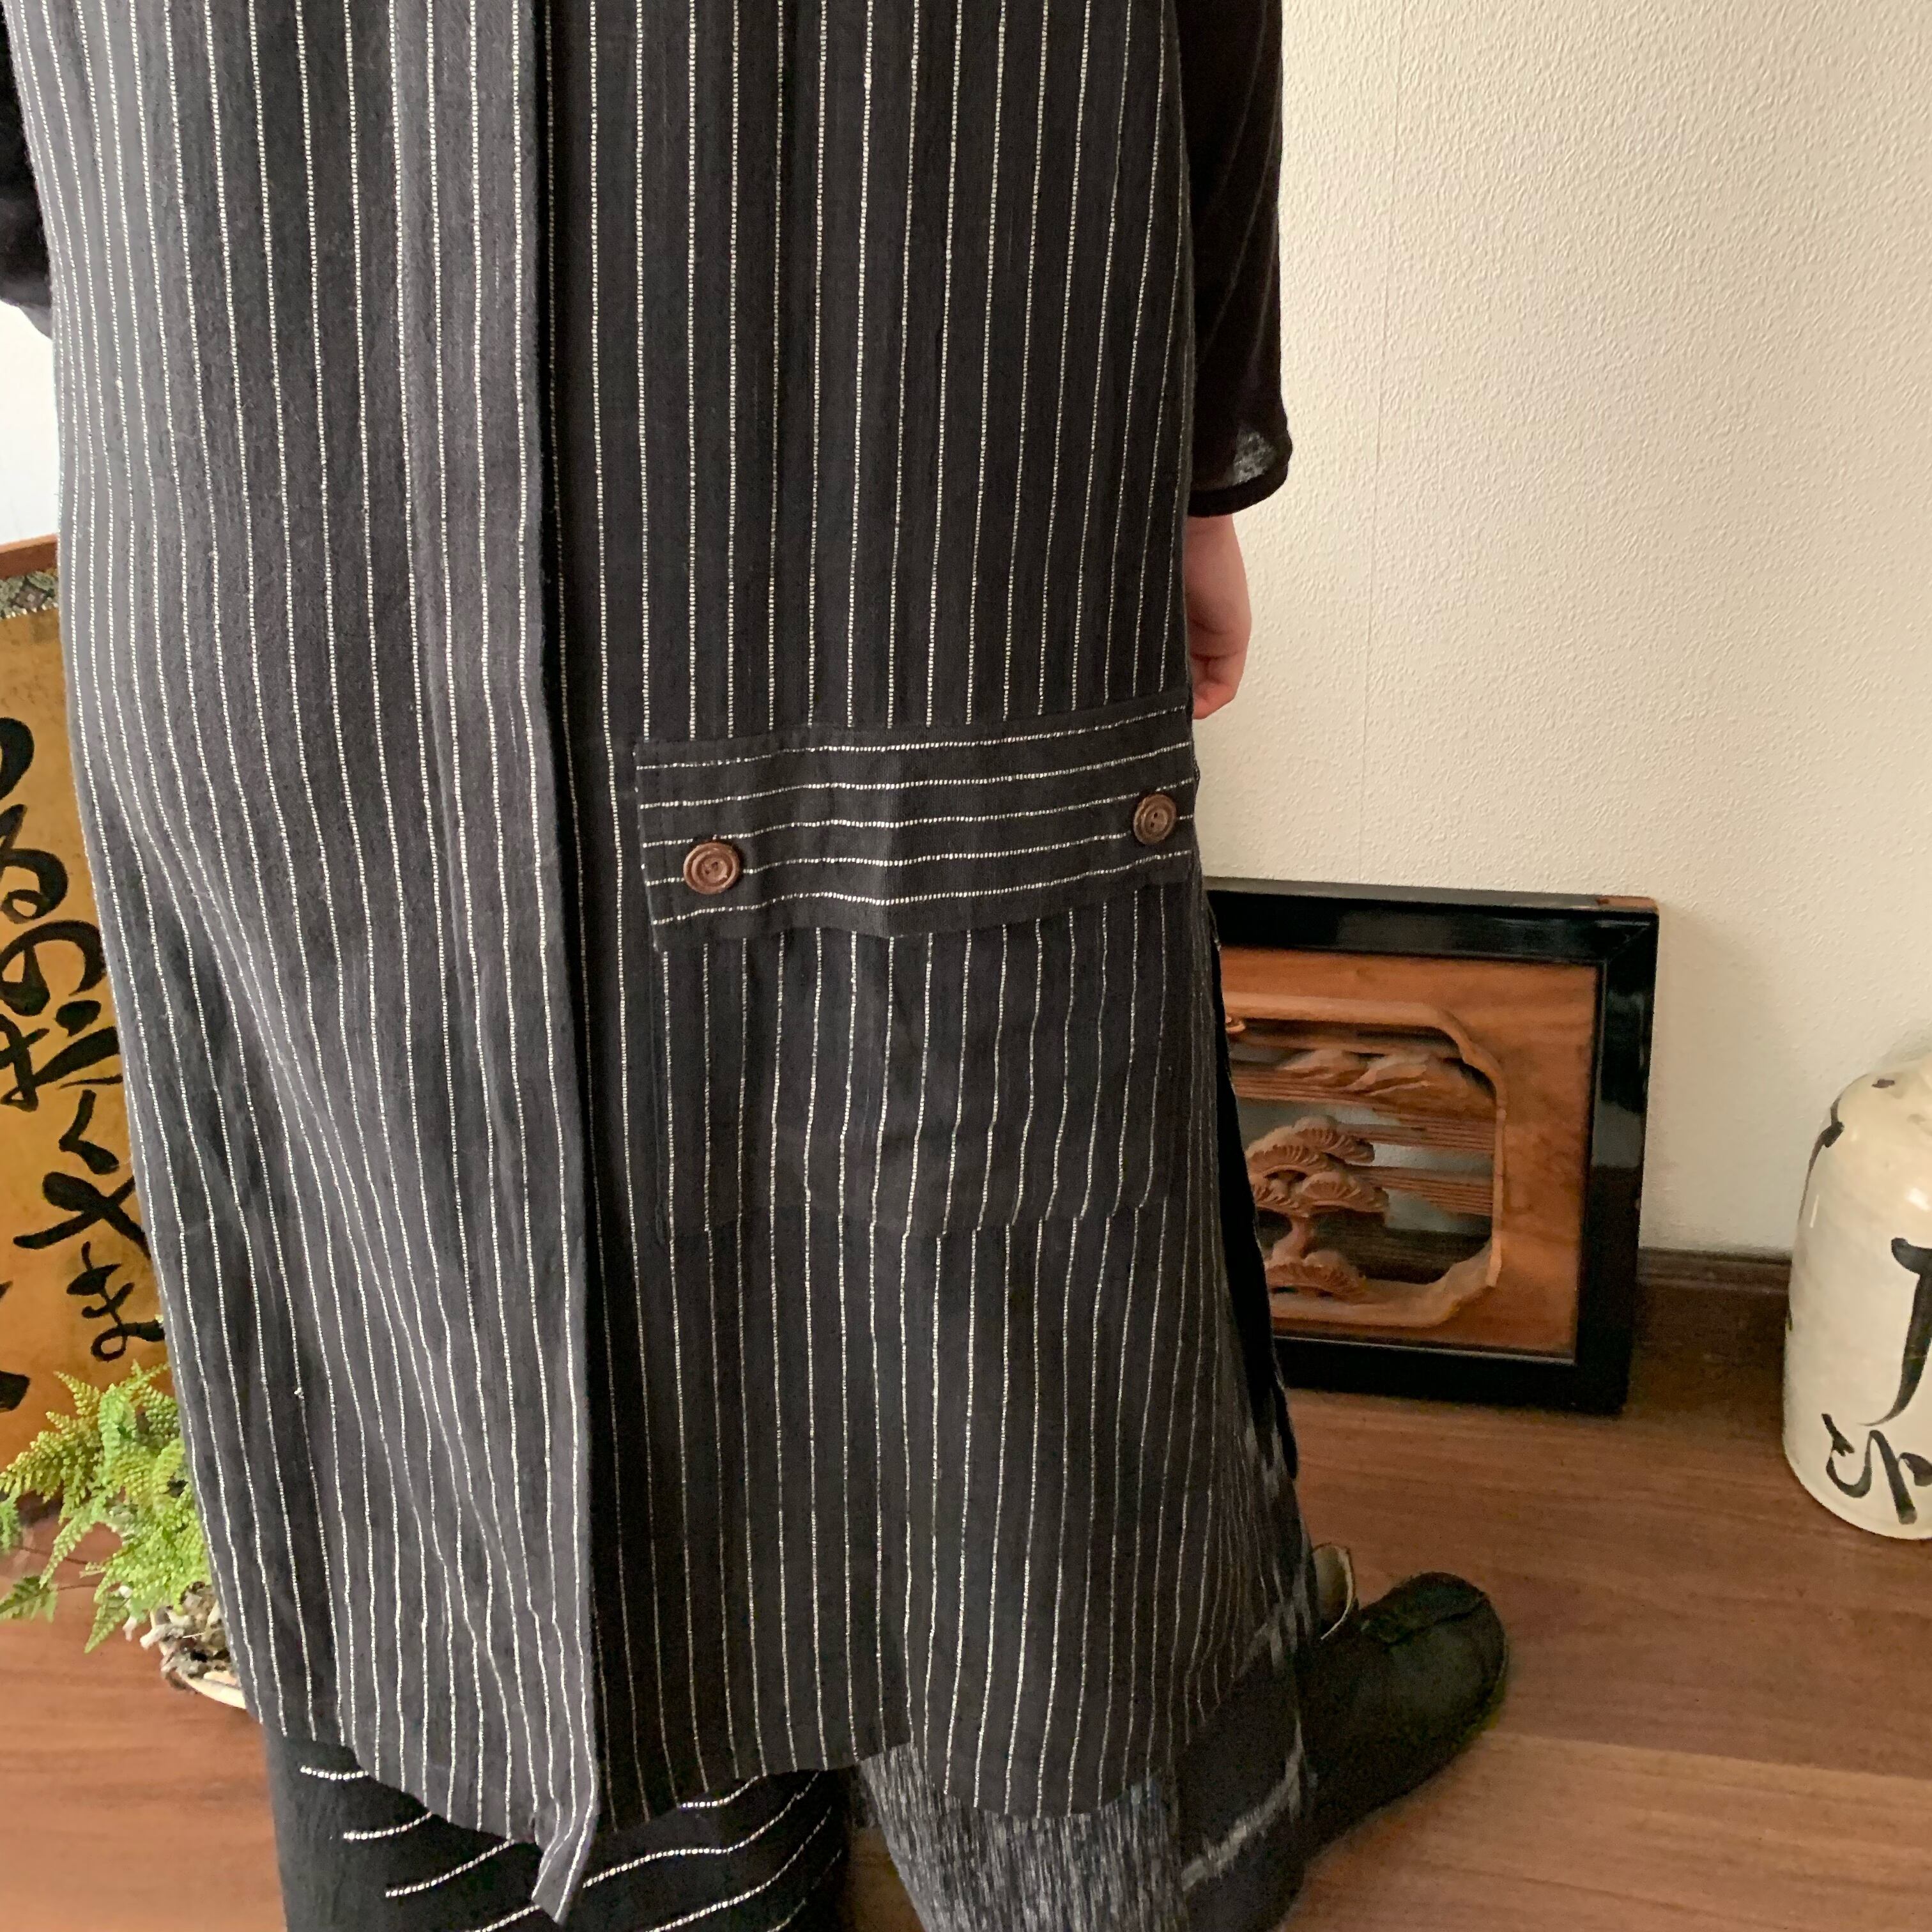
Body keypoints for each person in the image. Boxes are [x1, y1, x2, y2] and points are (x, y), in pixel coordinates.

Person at [0, 3, 1505, 1928]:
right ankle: (1134, 1849)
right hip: (889, 333)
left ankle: (768, 1854)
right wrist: (1199, 456)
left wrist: (251, 265)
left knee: (446, 1255)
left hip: (277, 427)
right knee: (973, 1224)